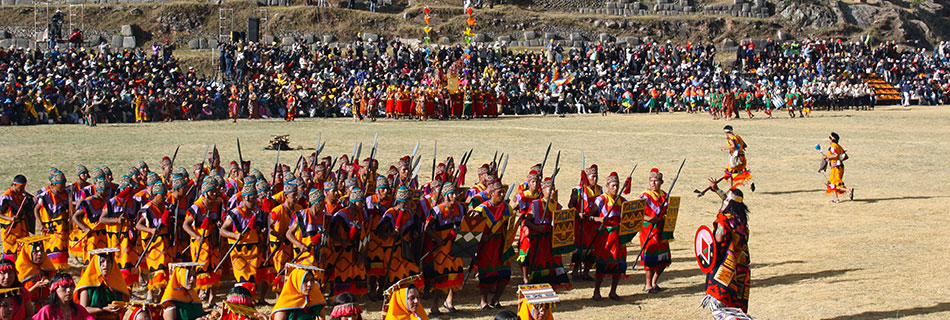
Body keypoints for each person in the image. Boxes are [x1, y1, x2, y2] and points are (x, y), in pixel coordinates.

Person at [701, 179, 751, 313]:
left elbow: (719, 238)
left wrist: (720, 223)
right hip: (741, 267)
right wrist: (717, 190)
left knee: (722, 308)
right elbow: (729, 199)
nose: (724, 201)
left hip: (725, 267)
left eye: (726, 201)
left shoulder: (724, 219)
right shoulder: (741, 222)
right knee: (736, 307)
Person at [518, 177, 571, 291]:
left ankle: (551, 293)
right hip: (540, 241)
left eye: (553, 189)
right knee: (540, 266)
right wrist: (537, 228)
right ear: (543, 190)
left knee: (553, 266)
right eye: (550, 189)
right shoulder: (536, 204)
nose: (552, 192)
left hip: (552, 241)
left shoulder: (557, 206)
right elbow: (527, 221)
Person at [470, 180, 514, 309]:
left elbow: (509, 224)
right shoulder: (482, 209)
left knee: (504, 273)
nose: (502, 195)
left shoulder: (506, 208)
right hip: (487, 245)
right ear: (492, 194)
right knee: (486, 275)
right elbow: (472, 228)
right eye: (499, 193)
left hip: (501, 244)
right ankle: (483, 301)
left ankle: (496, 299)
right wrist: (481, 236)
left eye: (503, 193)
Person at [219, 182, 266, 303]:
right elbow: (222, 231)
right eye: (252, 199)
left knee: (251, 278)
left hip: (253, 251)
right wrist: (234, 235)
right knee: (242, 278)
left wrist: (261, 230)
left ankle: (248, 301)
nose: (254, 202)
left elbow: (259, 228)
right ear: (245, 198)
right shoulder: (235, 213)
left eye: (255, 199)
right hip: (238, 251)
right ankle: (240, 301)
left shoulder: (257, 212)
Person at [422, 183, 464, 316]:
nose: (455, 196)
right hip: (441, 248)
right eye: (451, 194)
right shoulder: (437, 210)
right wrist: (437, 239)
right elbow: (427, 228)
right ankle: (434, 306)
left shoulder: (460, 208)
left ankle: (449, 301)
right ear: (445, 196)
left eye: (455, 193)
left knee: (455, 272)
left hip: (455, 246)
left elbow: (464, 224)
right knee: (441, 276)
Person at [185, 180, 223, 306]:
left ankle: (212, 300)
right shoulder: (197, 207)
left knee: (216, 271)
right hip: (200, 245)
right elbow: (186, 225)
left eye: (215, 191)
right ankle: (196, 299)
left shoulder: (217, 205)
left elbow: (216, 219)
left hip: (213, 242)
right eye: (212, 192)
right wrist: (196, 236)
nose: (214, 194)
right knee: (201, 272)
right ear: (206, 193)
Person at [589, 172, 625, 301]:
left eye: (617, 186)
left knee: (618, 266)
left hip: (618, 238)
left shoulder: (622, 200)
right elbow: (589, 216)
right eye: (613, 186)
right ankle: (596, 291)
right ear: (607, 186)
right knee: (603, 266)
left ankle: (613, 291)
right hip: (605, 238)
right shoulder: (601, 200)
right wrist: (599, 219)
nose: (615, 188)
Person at [326, 187, 368, 298]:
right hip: (341, 251)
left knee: (357, 273)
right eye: (361, 202)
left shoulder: (360, 215)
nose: (363, 204)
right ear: (354, 203)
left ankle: (352, 297)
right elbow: (331, 232)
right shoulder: (341, 215)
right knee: (342, 274)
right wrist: (341, 240)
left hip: (353, 250)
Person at [136, 178, 172, 301]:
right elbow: (138, 225)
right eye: (163, 195)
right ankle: (150, 292)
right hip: (153, 245)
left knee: (164, 270)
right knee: (156, 269)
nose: (165, 197)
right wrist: (150, 230)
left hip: (164, 243)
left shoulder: (164, 207)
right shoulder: (148, 208)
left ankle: (161, 295)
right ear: (156, 195)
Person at [637, 169, 671, 293]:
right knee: (650, 260)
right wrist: (650, 219)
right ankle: (647, 285)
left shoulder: (664, 195)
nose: (653, 184)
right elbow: (637, 213)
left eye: (656, 181)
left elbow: (668, 212)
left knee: (664, 259)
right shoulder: (644, 196)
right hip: (649, 230)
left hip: (662, 230)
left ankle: (654, 282)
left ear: (661, 182)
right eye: (651, 181)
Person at [74, 247, 129, 320]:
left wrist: (121, 309)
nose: (105, 265)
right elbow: (83, 309)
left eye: (108, 262)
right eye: (102, 262)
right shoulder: (87, 284)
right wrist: (103, 309)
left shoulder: (117, 284)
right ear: (96, 264)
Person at [569, 165, 601, 281]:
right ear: (587, 177)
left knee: (592, 248)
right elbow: (571, 205)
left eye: (596, 177)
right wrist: (578, 213)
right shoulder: (578, 190)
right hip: (581, 223)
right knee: (580, 247)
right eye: (593, 177)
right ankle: (575, 271)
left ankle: (586, 271)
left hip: (593, 223)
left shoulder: (599, 189)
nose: (595, 179)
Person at [34, 169, 71, 269]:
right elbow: (36, 209)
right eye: (61, 185)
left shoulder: (67, 193)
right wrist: (41, 224)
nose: (63, 186)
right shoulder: (45, 196)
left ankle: (61, 268)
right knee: (52, 249)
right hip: (50, 229)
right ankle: (52, 268)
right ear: (54, 184)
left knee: (62, 249)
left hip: (63, 229)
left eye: (64, 184)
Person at [0, 174, 33, 260]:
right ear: (13, 185)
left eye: (24, 187)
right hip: (10, 230)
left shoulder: (23, 195)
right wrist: (10, 218)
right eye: (20, 187)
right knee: (11, 250)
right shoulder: (6, 196)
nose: (22, 189)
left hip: (21, 227)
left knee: (24, 248)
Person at [16, 235, 56, 305]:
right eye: (35, 252)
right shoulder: (20, 272)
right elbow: (18, 297)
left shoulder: (48, 268)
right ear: (28, 253)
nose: (40, 254)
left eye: (41, 251)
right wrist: (36, 287)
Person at [721, 126, 753, 190]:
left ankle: (731, 188)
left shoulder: (730, 138)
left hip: (735, 158)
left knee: (729, 172)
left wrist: (725, 148)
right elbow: (744, 145)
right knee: (741, 171)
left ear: (727, 132)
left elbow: (733, 145)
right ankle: (750, 182)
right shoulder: (737, 137)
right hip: (742, 157)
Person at [824, 132, 853, 203]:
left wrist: (827, 157)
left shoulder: (832, 147)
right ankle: (836, 198)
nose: (829, 140)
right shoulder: (839, 146)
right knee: (831, 183)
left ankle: (848, 190)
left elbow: (835, 155)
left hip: (836, 168)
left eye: (829, 138)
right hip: (840, 167)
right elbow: (845, 156)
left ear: (832, 139)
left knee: (835, 183)